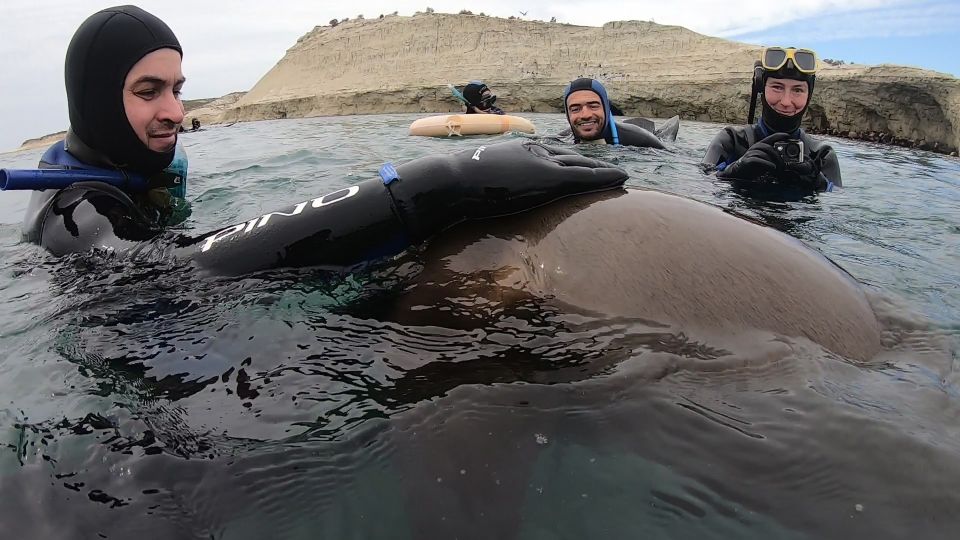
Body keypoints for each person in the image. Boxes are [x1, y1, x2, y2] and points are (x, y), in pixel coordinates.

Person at [20, 6, 628, 276]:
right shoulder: (77, 212)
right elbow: (168, 276)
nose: (176, 112)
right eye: (148, 90)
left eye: (178, 88)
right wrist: (441, 183)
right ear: (98, 100)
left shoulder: (120, 168)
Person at [701, 47, 841, 192]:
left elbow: (839, 205)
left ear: (809, 94)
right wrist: (732, 172)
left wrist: (818, 182)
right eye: (777, 87)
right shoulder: (731, 140)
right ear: (761, 86)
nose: (786, 101)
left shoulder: (821, 154)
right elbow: (700, 185)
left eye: (798, 90)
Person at [562, 78, 666, 149]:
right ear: (567, 114)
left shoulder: (642, 140)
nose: (585, 115)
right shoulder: (559, 141)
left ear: (606, 108)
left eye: (593, 106)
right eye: (575, 109)